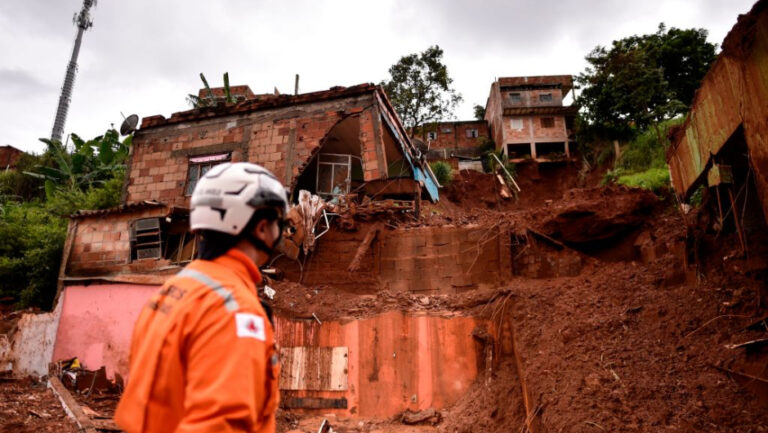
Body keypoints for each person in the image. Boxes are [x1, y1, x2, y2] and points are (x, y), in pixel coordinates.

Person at [115, 162, 287, 433]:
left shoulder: (172, 291)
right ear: (262, 228)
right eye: (279, 222)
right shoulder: (236, 309)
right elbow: (221, 424)